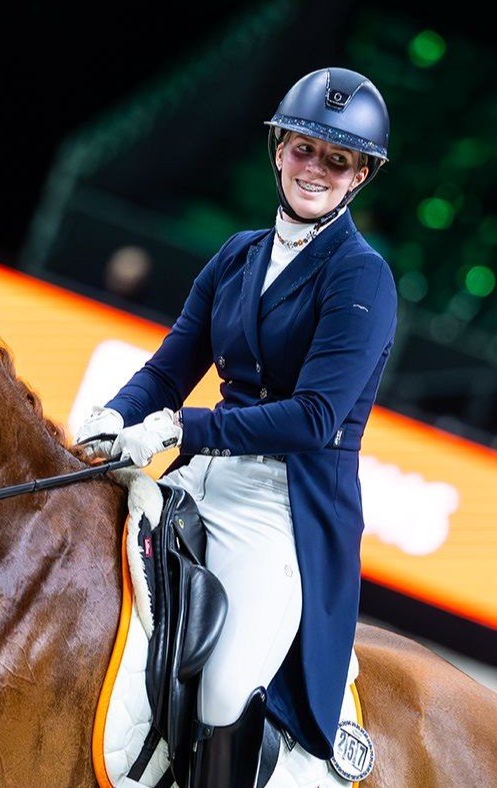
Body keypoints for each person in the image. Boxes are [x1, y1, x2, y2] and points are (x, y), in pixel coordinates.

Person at [75, 67, 395, 786]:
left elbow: (315, 418)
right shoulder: (239, 254)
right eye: (305, 149)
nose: (316, 168)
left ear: (360, 176)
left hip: (283, 508)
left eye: (337, 159)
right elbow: (168, 369)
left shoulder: (361, 277)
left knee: (223, 690)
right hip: (194, 476)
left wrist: (183, 431)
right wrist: (113, 416)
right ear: (279, 149)